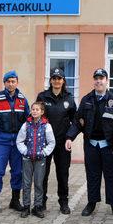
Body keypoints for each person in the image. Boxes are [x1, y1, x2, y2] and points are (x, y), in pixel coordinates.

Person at [66, 68, 113, 216]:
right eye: (96, 78)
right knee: (92, 175)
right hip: (92, 145)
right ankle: (91, 203)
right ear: (94, 81)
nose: (99, 81)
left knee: (111, 176)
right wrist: (69, 137)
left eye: (102, 78)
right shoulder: (87, 100)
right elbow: (78, 121)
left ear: (107, 81)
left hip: (109, 147)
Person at [0, 70, 30, 213]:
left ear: (17, 82)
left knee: (18, 172)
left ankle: (14, 201)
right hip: (1, 141)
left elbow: (28, 120)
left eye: (13, 81)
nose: (11, 84)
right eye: (8, 81)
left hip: (17, 142)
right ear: (4, 83)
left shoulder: (22, 100)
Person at [36, 68, 76, 214]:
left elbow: (75, 121)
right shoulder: (42, 97)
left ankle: (63, 202)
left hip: (62, 142)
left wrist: (70, 137)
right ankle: (41, 202)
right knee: (42, 173)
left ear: (63, 81)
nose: (57, 81)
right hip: (45, 142)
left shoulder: (69, 98)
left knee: (62, 173)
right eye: (54, 78)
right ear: (50, 80)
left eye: (59, 78)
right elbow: (36, 117)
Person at [16, 102, 56, 218]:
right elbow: (19, 141)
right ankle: (26, 207)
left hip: (40, 159)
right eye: (33, 109)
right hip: (27, 159)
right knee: (26, 183)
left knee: (38, 183)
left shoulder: (46, 126)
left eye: (37, 109)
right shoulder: (26, 125)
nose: (34, 111)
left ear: (42, 112)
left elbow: (52, 142)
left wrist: (44, 153)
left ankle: (37, 207)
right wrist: (25, 151)